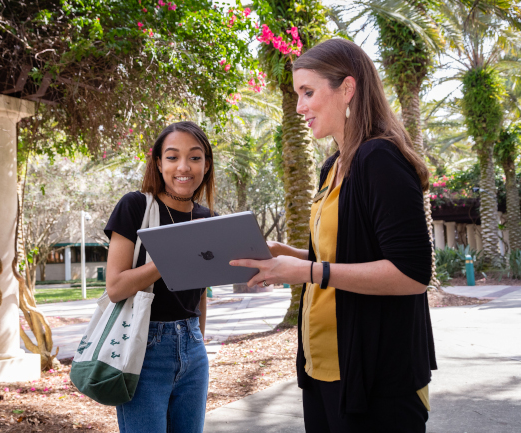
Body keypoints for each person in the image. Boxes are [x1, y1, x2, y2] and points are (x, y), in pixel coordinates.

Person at [231, 38, 436, 432]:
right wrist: (284, 255)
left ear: (347, 88)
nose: (298, 107)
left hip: (376, 380)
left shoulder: (380, 159)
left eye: (307, 92)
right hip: (322, 371)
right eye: (297, 94)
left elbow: (412, 274)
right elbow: (346, 255)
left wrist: (308, 272)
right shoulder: (333, 166)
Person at [104, 121, 215, 433]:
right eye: (172, 157)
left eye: (195, 157)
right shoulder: (135, 206)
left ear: (206, 165)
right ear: (158, 162)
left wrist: (199, 342)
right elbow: (115, 288)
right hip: (143, 350)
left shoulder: (207, 219)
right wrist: (169, 258)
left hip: (193, 348)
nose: (184, 167)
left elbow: (200, 295)